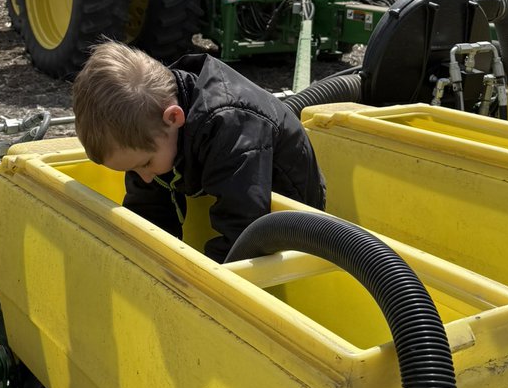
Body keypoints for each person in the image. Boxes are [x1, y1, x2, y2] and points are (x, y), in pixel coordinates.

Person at [72, 41, 326, 262]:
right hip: (237, 204)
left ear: (174, 118)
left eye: (145, 164)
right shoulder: (152, 128)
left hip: (293, 229)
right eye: (132, 169)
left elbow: (242, 231)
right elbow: (148, 209)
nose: (144, 177)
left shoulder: (230, 126)